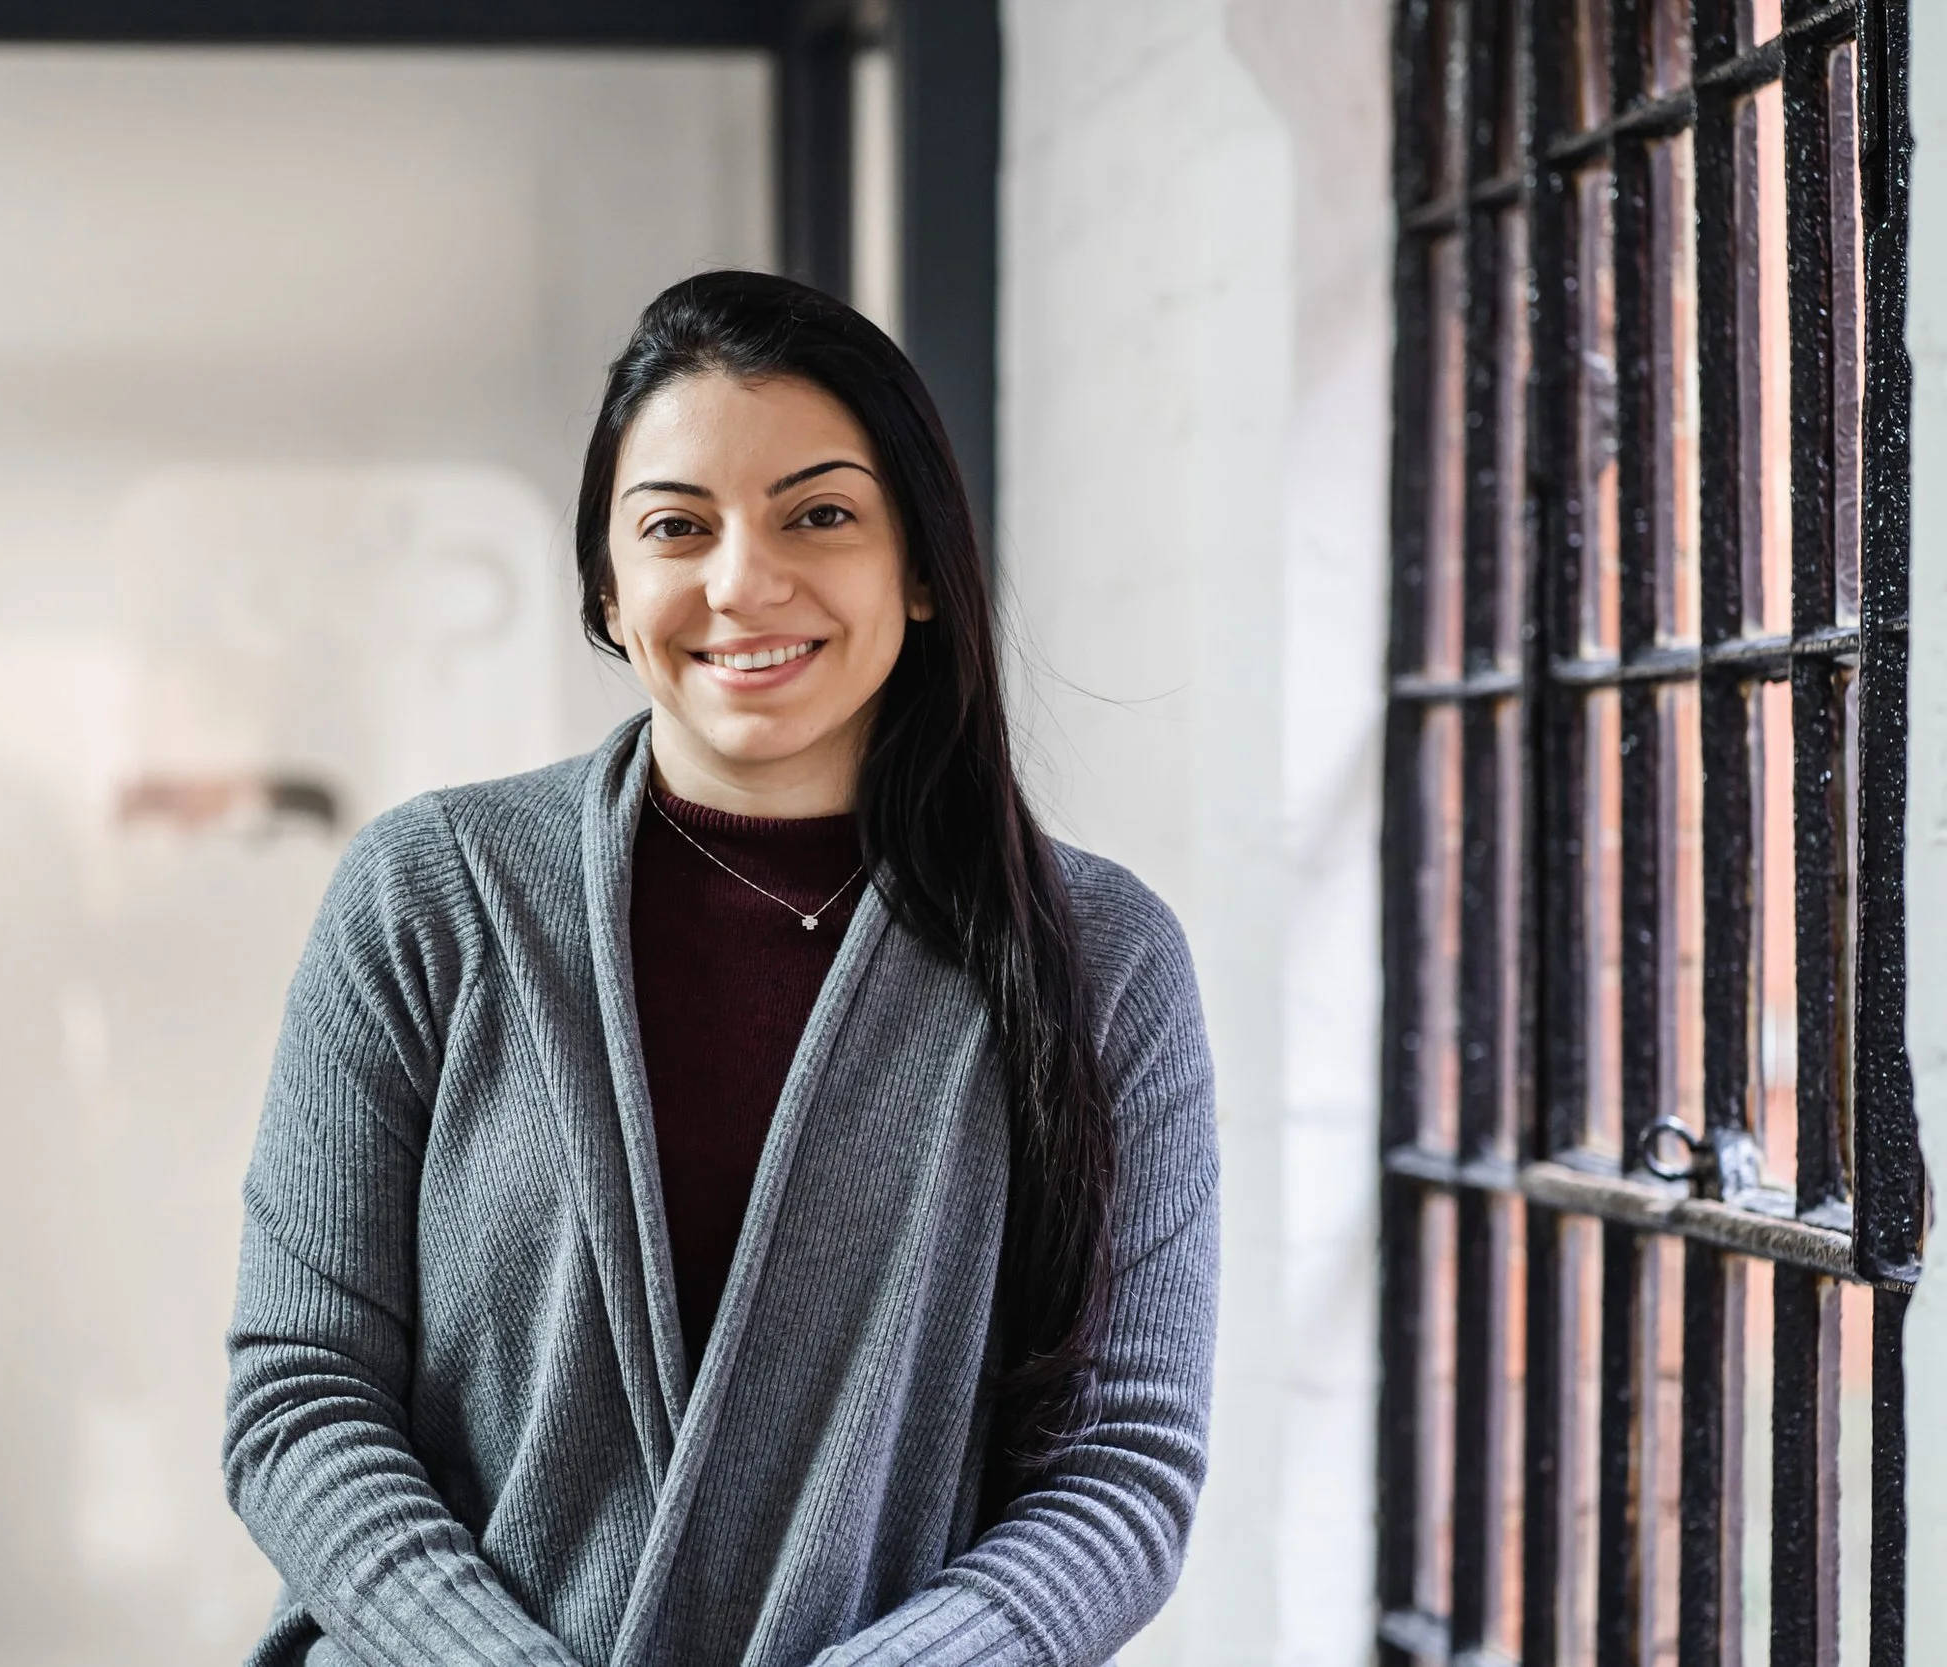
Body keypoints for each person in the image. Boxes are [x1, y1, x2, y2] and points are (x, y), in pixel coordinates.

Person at [223, 270, 1218, 1666]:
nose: (743, 580)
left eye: (819, 513)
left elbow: (1120, 1473)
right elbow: (301, 1397)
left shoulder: (1098, 959)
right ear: (608, 586)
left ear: (921, 566)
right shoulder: (429, 893)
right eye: (677, 527)